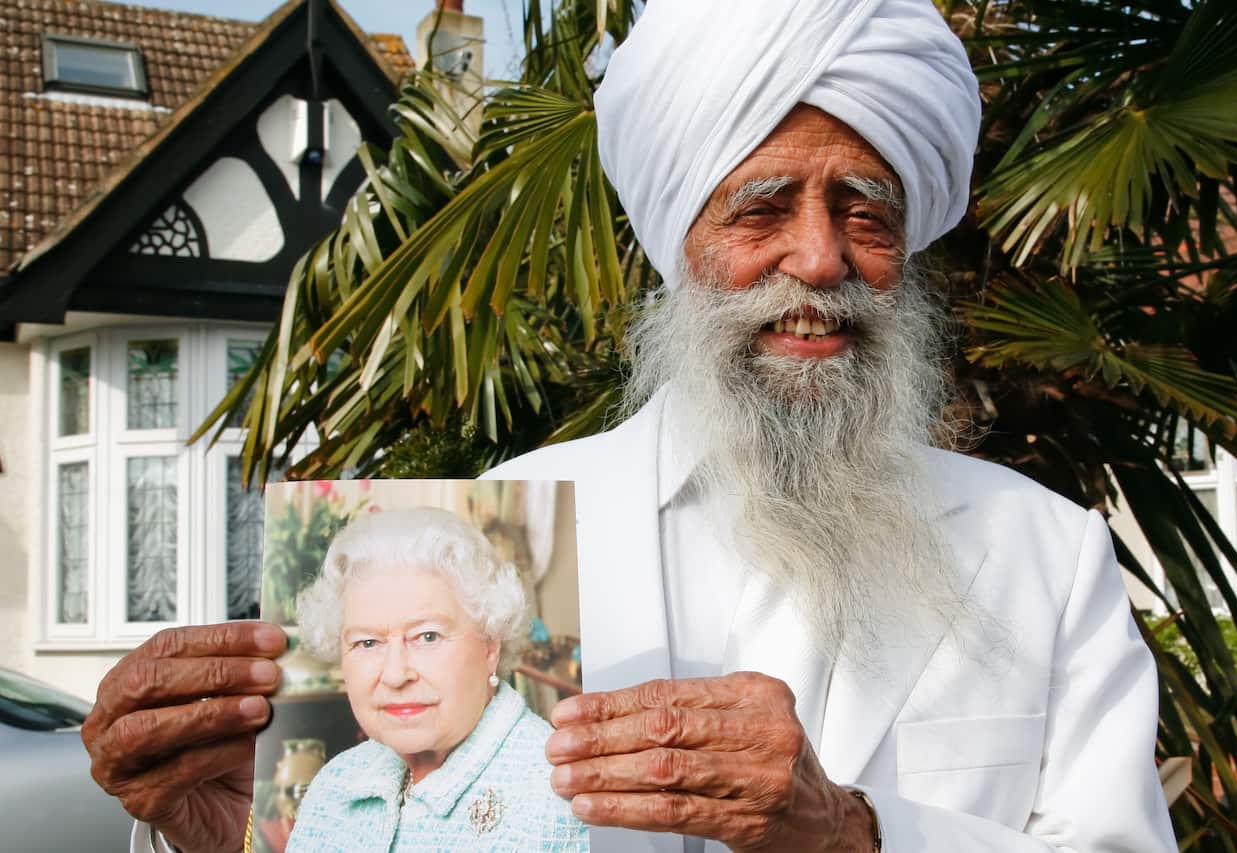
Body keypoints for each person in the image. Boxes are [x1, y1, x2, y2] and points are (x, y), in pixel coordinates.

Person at [83, 1, 1178, 851]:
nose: (818, 259)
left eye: (864, 212)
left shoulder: (1045, 554)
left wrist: (853, 831)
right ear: (677, 239)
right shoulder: (499, 528)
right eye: (760, 209)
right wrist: (227, 834)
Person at [280, 508, 587, 852]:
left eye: (427, 637)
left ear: (490, 645)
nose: (395, 675)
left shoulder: (563, 798)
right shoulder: (333, 785)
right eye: (367, 643)